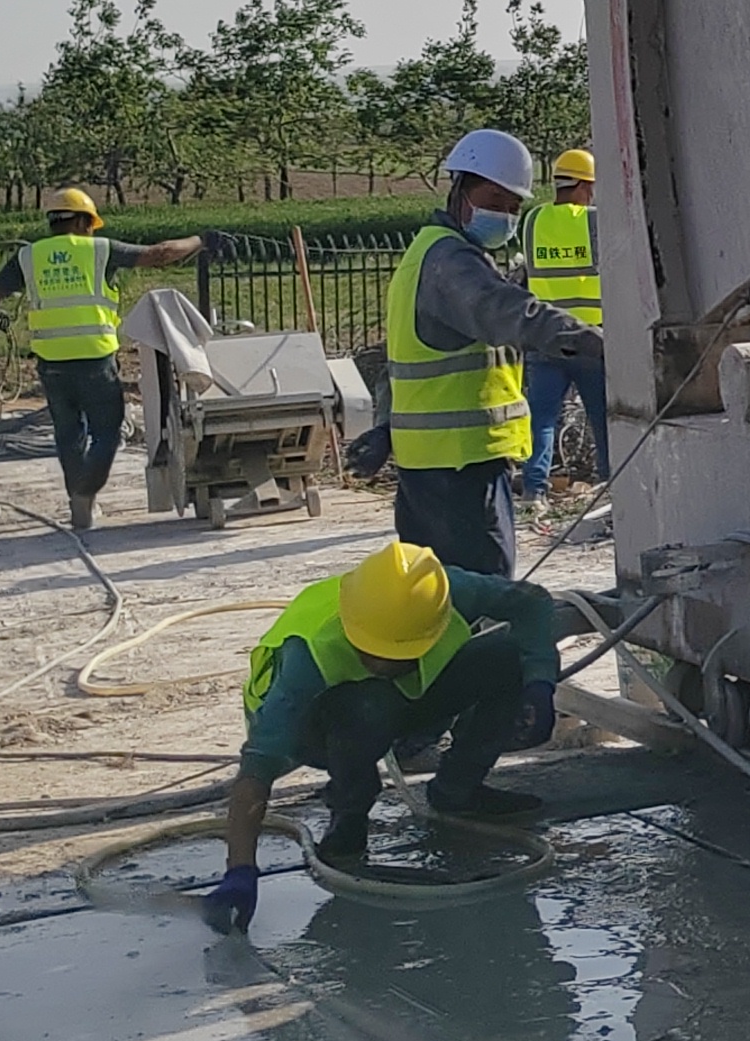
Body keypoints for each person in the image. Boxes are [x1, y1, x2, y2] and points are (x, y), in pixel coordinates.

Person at [203, 538, 560, 932]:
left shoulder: (439, 594)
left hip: (402, 697)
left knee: (506, 658)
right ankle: (349, 817)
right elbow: (255, 773)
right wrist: (240, 870)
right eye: (370, 652)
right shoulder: (307, 658)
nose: (379, 662)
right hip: (317, 727)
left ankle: (458, 792)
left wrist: (540, 683)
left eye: (393, 655)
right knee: (367, 703)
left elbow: (532, 603)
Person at [385, 127, 602, 577]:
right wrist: (599, 344)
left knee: (440, 596)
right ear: (461, 191)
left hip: (435, 468)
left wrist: (384, 426)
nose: (505, 215)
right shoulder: (451, 262)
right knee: (483, 595)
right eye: (496, 202)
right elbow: (510, 313)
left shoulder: (427, 252)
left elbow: (408, 358)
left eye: (512, 207)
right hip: (458, 472)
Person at [0, 189, 204, 534]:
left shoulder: (27, 257)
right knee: (108, 433)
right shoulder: (100, 250)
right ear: (83, 221)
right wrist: (200, 240)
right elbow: (161, 254)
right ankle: (86, 493)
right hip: (95, 358)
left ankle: (79, 503)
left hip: (51, 362)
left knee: (68, 434)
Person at [512, 145, 608, 499]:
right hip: (590, 337)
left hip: (544, 336)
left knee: (542, 420)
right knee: (602, 418)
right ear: (584, 185)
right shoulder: (592, 220)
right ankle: (608, 484)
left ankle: (534, 489)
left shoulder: (533, 220)